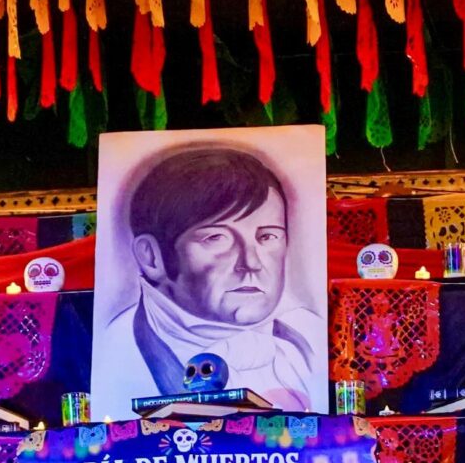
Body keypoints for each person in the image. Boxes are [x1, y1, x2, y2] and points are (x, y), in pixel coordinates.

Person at [96, 144, 323, 410]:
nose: (250, 263)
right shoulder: (118, 351)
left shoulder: (310, 338)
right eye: (216, 238)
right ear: (152, 257)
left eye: (267, 236)